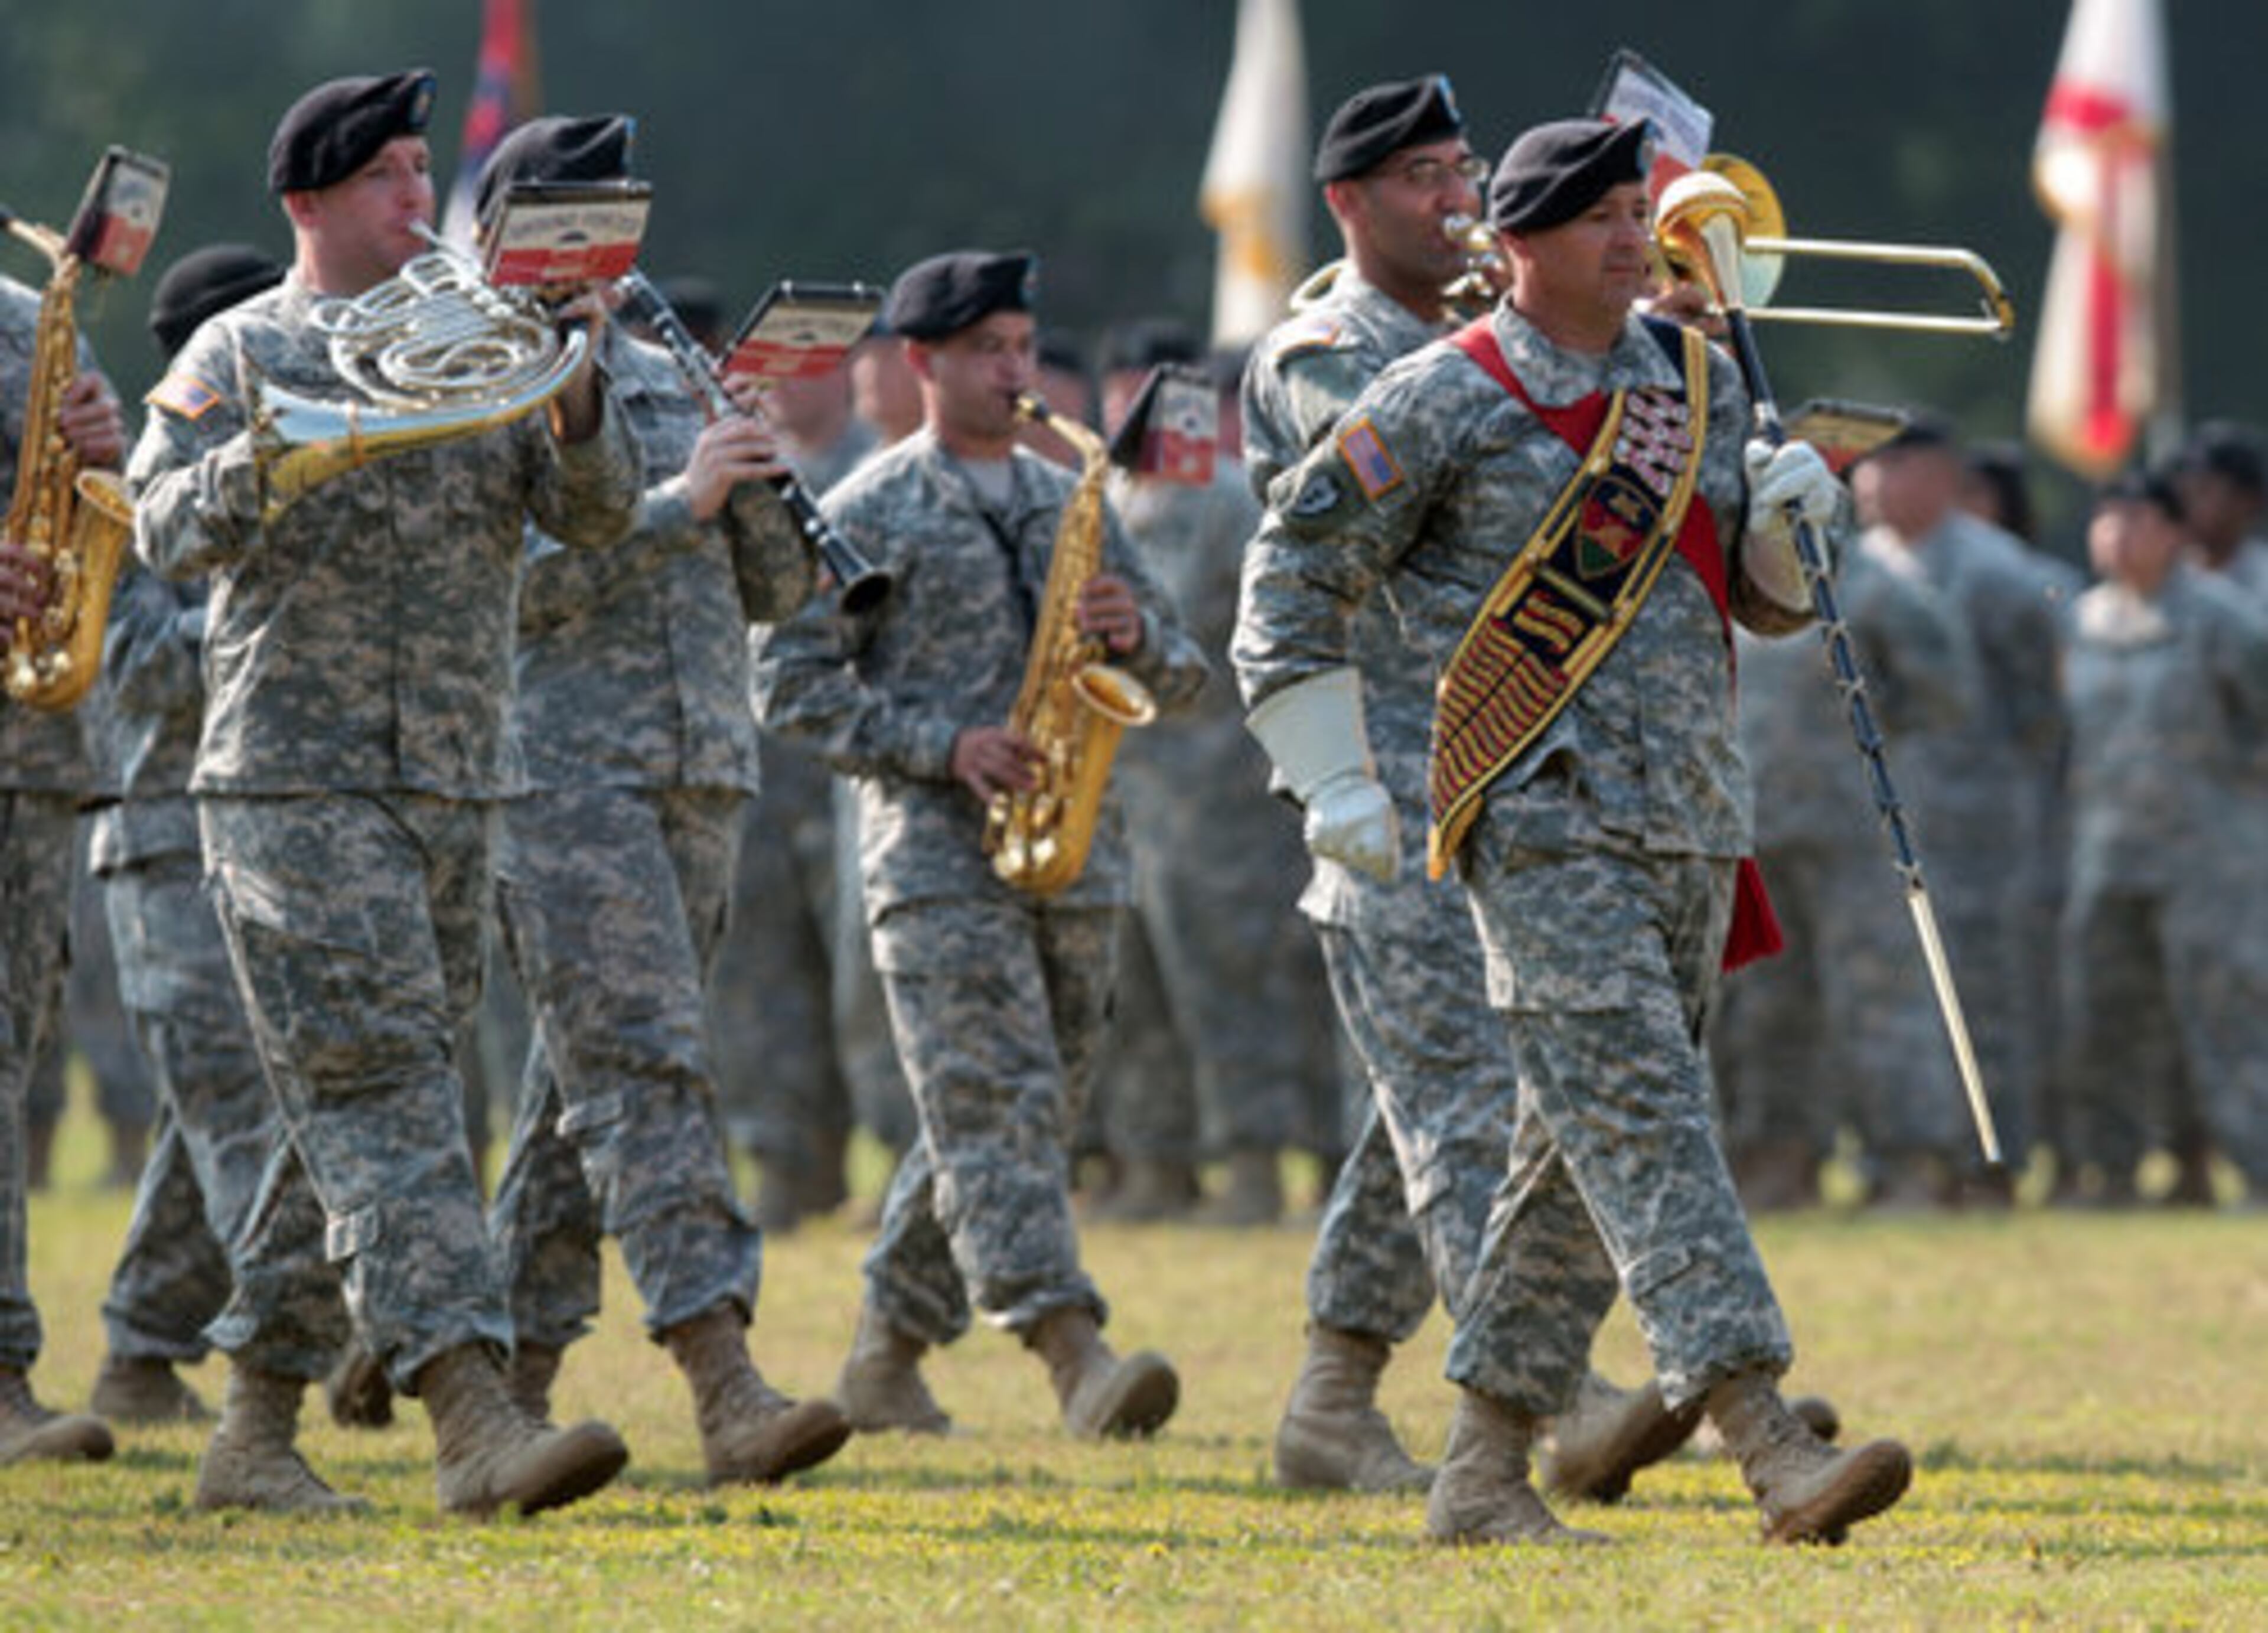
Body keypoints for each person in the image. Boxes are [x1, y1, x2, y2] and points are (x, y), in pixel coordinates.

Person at [1234, 115, 1914, 1546]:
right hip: (1533, 827)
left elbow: (1764, 601)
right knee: (1657, 1129)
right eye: (1603, 217)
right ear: (1523, 247)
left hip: (1686, 822)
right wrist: (1331, 777)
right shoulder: (1438, 396)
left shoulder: (1698, 380)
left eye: (1637, 212)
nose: (1636, 237)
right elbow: (1287, 578)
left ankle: (1478, 1473)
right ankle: (1763, 1434)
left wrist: (1802, 526)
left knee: (1564, 1160)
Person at [128, 69, 640, 1518]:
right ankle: (475, 1419)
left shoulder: (491, 339)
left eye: (424, 172)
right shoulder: (237, 348)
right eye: (388, 181)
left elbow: (597, 520)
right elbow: (159, 526)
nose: (423, 201)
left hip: (458, 777)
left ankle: (252, 1432)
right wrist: (263, 463)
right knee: (385, 1087)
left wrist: (579, 374)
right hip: (293, 776)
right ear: (307, 204)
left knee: (354, 1109)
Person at [1240, 76, 1699, 1501]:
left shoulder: (1513, 349)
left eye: (1463, 169)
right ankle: (1555, 1399)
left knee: (1454, 1102)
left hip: (1511, 788)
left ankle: (1331, 1393)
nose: (1451, 197)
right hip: (1392, 789)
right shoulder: (1336, 350)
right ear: (1348, 205)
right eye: (1419, 178)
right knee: (1456, 1100)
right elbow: (1386, 508)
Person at [753, 249, 1208, 1439]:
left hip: (1075, 854)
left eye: (1022, 345)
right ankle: (1073, 1350)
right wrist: (938, 743)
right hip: (933, 860)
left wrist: (1136, 633)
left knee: (1013, 1112)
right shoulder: (866, 511)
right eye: (987, 351)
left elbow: (1190, 670)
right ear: (922, 364)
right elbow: (787, 684)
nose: (1017, 370)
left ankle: (884, 1352)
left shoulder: (1079, 502)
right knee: (992, 1101)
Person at [475, 113, 849, 1488]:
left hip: (699, 769)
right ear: (505, 232)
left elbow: (772, 593)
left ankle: (498, 1377)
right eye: (567, 225)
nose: (597, 255)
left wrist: (752, 474)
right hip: (560, 769)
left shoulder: (657, 370)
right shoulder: (470, 378)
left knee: (586, 1093)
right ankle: (722, 1378)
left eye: (611, 227)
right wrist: (671, 507)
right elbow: (496, 592)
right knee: (646, 1073)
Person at [80, 243, 362, 1470]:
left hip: (270, 820)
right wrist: (281, 631)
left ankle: (143, 1343)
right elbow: (133, 660)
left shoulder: (288, 485)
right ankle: (343, 1330)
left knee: (230, 1109)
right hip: (157, 837)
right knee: (237, 1106)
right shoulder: (134, 491)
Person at [1088, 317, 1338, 1225]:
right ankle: (1157, 1161)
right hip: (1124, 787)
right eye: (1121, 389)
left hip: (1220, 790)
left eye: (1152, 389)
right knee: (1137, 981)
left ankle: (1261, 1163)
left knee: (1238, 978)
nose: (1134, 407)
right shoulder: (1103, 500)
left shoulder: (1229, 501)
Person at [1708, 514, 1976, 1210]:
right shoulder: (1733, 578)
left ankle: (1912, 1161)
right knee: (1766, 1004)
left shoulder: (1877, 588)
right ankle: (1779, 1156)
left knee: (1880, 998)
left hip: (1859, 831)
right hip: (1757, 827)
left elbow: (1946, 692)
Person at [1852, 416, 2065, 1190]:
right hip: (1889, 819)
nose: (1869, 482)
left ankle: (1992, 1165)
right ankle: (1905, 1157)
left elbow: (2043, 708)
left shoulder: (2001, 574)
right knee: (1897, 994)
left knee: (1986, 993)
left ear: (1942, 476)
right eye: (1867, 467)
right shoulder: (1855, 566)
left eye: (1892, 466)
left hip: (1985, 817)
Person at [0, 217, 127, 1470]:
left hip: (22, 740)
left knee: (5, 1054)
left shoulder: (23, 313)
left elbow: (105, 504)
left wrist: (107, 449)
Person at [2057, 467, 2268, 1207]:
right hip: (2105, 853)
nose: (2118, 535)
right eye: (2107, 518)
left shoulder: (2223, 620)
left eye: (2139, 520)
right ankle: (2110, 1170)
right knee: (2105, 1014)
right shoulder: (2079, 622)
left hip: (2211, 857)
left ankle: (2256, 1168)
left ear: (2175, 534)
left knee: (2229, 1016)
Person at [711, 351, 878, 1232]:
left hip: (848, 768)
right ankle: (785, 1159)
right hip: (758, 776)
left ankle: (891, 1157)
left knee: (862, 983)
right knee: (761, 980)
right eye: (766, 377)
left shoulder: (874, 474)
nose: (784, 391)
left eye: (808, 370)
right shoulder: (740, 474)